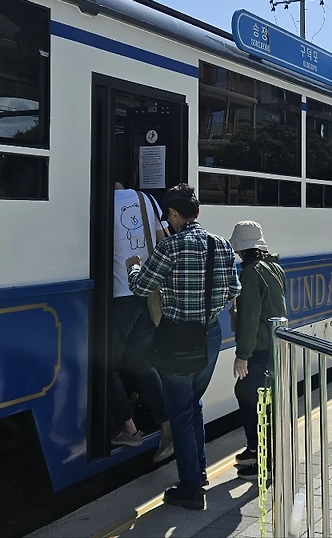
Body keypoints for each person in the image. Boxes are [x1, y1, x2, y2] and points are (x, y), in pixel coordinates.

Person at [127, 184, 240, 510]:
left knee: (180, 412)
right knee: (193, 404)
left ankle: (191, 487)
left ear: (175, 214)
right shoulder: (220, 245)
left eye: (169, 215)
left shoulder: (170, 247)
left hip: (178, 339)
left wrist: (134, 265)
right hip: (210, 335)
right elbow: (234, 288)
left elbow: (141, 287)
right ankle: (199, 473)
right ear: (198, 212)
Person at [108, 183, 173, 461]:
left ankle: (129, 429)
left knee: (105, 365)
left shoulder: (102, 202)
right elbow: (163, 241)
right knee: (140, 362)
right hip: (145, 295)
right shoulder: (146, 199)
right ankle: (168, 429)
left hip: (119, 297)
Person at [228, 221, 287, 481]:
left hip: (259, 347)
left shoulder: (251, 274)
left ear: (242, 250)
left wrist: (242, 355)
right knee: (259, 398)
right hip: (273, 344)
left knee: (250, 396)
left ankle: (262, 460)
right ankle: (256, 451)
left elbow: (250, 316)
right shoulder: (275, 268)